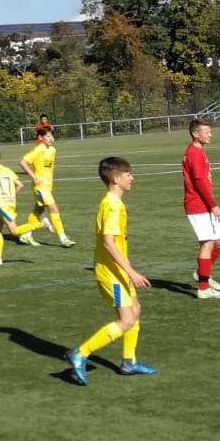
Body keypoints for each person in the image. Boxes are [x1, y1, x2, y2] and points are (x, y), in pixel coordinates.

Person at [65, 157, 156, 385]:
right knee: (126, 320)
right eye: (128, 174)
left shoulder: (115, 203)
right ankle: (80, 353)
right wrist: (131, 272)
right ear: (116, 179)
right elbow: (108, 243)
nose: (132, 178)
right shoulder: (112, 205)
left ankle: (129, 362)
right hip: (110, 272)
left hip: (118, 270)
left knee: (135, 309)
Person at [184, 117, 220, 299]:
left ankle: (201, 273)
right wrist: (214, 206)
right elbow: (199, 182)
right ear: (196, 134)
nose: (210, 135)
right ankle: (203, 288)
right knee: (208, 243)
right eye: (207, 132)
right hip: (198, 205)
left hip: (204, 204)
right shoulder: (194, 154)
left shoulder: (198, 152)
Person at [0, 149, 42, 266]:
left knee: (14, 231)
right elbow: (20, 185)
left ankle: (42, 224)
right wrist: (10, 195)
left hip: (2, 204)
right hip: (10, 202)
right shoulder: (7, 169)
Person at [17, 127, 76, 247]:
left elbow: (50, 169)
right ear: (40, 137)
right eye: (48, 136)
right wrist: (34, 177)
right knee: (54, 209)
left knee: (39, 210)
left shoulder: (53, 150)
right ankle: (63, 238)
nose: (51, 138)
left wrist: (51, 183)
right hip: (40, 187)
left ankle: (26, 235)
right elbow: (22, 162)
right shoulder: (38, 149)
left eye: (51, 136)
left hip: (48, 187)